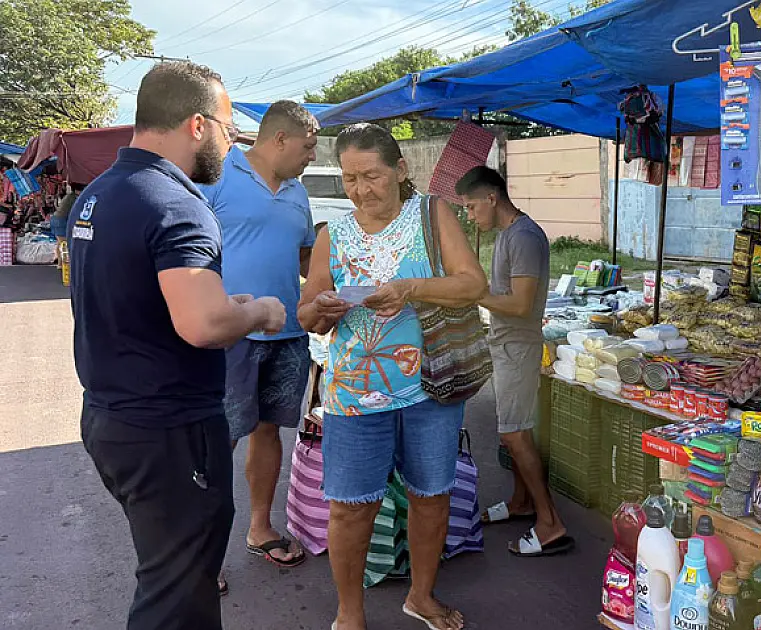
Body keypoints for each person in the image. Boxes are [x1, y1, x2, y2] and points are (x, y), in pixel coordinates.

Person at [69, 61, 286, 630]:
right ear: (197, 124)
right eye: (228, 127)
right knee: (177, 597)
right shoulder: (175, 202)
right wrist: (260, 310)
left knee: (166, 571)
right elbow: (202, 326)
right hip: (168, 431)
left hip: (112, 418)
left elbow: (146, 298)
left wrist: (222, 303)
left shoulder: (100, 194)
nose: (230, 140)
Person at [298, 123, 486, 630]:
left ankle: (421, 597)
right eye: (351, 179)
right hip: (355, 397)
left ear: (401, 171)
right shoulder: (330, 236)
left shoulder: (431, 215)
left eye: (373, 175)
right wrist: (323, 308)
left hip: (430, 386)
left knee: (431, 495)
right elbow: (306, 313)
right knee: (351, 509)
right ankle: (349, 615)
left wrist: (410, 288)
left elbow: (473, 284)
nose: (361, 189)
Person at [197, 100, 319, 569]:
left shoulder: (298, 193)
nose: (311, 156)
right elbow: (188, 251)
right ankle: (200, 557)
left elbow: (307, 258)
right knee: (218, 437)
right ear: (280, 139)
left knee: (269, 431)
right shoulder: (218, 178)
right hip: (232, 333)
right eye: (307, 147)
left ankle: (260, 527)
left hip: (288, 334)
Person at [457, 166, 572, 558]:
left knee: (514, 434)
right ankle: (522, 501)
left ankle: (550, 522)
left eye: (472, 207)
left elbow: (522, 306)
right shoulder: (508, 235)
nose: (471, 216)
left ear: (491, 197)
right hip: (506, 344)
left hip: (519, 348)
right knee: (517, 429)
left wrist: (474, 294)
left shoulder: (524, 237)